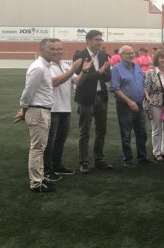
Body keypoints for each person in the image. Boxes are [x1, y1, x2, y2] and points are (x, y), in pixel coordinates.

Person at [13, 38, 60, 192]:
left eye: (56, 49)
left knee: (41, 147)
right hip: (38, 111)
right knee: (37, 148)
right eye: (51, 49)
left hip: (42, 110)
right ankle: (36, 183)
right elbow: (28, 92)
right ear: (42, 50)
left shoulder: (45, 66)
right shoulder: (39, 67)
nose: (55, 51)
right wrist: (23, 110)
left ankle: (40, 177)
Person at [43, 39, 91, 181]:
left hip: (65, 108)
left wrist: (83, 71)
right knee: (49, 141)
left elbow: (77, 81)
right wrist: (72, 70)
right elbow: (55, 82)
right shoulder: (47, 66)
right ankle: (47, 169)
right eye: (54, 49)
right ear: (48, 50)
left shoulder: (64, 64)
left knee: (60, 140)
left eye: (60, 49)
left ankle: (57, 165)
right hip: (52, 108)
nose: (58, 51)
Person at [73, 30, 113, 173]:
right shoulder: (79, 56)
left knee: (101, 130)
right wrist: (100, 72)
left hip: (101, 97)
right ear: (88, 41)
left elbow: (107, 78)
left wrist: (107, 71)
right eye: (97, 39)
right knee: (85, 131)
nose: (100, 42)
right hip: (86, 98)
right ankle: (84, 162)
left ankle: (99, 159)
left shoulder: (103, 55)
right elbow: (80, 79)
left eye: (101, 39)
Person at [111, 45, 154, 167]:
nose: (131, 55)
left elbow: (142, 84)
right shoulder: (116, 69)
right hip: (125, 106)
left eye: (132, 53)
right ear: (121, 55)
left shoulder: (137, 67)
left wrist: (146, 95)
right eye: (127, 53)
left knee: (142, 132)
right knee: (126, 134)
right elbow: (115, 88)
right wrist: (129, 102)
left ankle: (142, 156)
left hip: (139, 105)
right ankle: (128, 158)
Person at [144, 49, 164, 162]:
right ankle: (156, 152)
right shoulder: (150, 73)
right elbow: (146, 90)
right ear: (156, 59)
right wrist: (147, 105)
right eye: (161, 57)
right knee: (156, 129)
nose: (163, 59)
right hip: (155, 104)